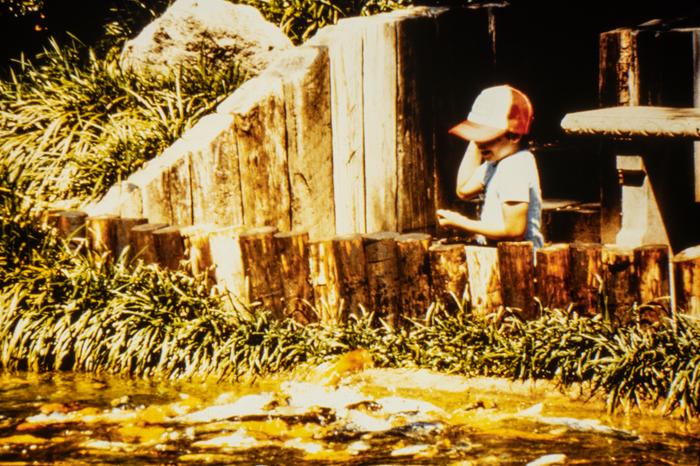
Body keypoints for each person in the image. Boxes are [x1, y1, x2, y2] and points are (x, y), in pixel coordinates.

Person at [436, 84, 544, 249]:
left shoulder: (515, 166)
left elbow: (514, 230)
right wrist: (477, 137)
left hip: (520, 262)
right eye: (477, 138)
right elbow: (463, 190)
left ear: (514, 135)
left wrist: (461, 223)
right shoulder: (495, 163)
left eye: (487, 137)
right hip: (500, 257)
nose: (480, 145)